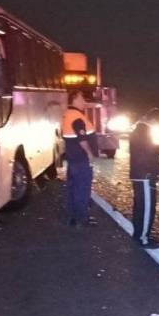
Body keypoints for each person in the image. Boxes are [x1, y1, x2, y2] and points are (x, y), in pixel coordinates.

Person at [61, 90, 99, 227]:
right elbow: (82, 138)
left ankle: (72, 217)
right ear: (75, 100)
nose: (84, 101)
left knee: (73, 189)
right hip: (81, 159)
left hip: (73, 159)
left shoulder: (67, 114)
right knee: (82, 189)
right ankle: (82, 219)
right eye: (82, 98)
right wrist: (89, 154)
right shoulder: (77, 117)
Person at [129, 108, 159, 249]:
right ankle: (143, 239)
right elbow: (151, 151)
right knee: (146, 209)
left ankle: (138, 234)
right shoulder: (144, 131)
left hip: (139, 175)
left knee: (140, 208)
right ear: (155, 120)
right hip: (145, 175)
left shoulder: (139, 130)